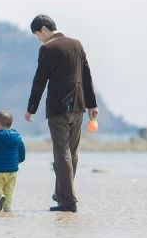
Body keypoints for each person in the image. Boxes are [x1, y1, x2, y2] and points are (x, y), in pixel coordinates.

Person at [24, 14, 97, 213]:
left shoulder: (48, 49)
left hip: (58, 106)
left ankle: (68, 200)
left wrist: (31, 108)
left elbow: (40, 80)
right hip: (78, 105)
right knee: (72, 153)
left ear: (44, 29)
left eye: (38, 35)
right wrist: (92, 104)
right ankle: (62, 194)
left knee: (61, 153)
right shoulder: (76, 44)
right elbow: (87, 75)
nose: (39, 39)